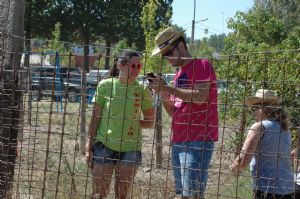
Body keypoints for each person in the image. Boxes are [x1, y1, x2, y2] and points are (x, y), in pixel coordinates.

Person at [149, 27, 218, 199]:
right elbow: (174, 110)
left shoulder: (202, 65)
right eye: (164, 55)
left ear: (180, 46)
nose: (166, 58)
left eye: (168, 53)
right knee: (184, 194)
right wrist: (162, 92)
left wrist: (166, 87)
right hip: (179, 139)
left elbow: (201, 96)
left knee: (193, 194)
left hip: (198, 139)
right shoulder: (178, 75)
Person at [85, 50, 155, 199]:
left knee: (122, 195)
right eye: (133, 66)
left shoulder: (142, 89)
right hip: (104, 145)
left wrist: (131, 122)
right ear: (120, 65)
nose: (136, 70)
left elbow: (150, 122)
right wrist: (88, 146)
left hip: (131, 149)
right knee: (98, 194)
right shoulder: (105, 86)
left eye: (139, 66)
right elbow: (95, 118)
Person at [230, 89, 294, 199]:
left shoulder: (259, 127)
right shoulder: (285, 128)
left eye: (254, 108)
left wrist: (233, 167)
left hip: (267, 189)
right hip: (288, 188)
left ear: (262, 108)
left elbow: (243, 161)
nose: (253, 112)